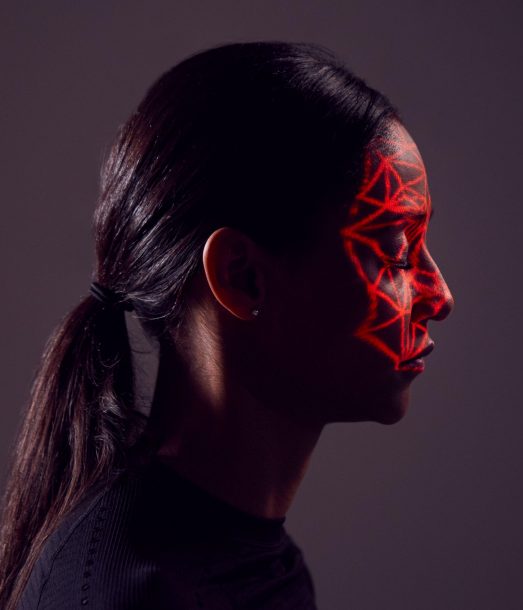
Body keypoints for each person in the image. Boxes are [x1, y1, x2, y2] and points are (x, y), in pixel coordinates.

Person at [0, 41, 455, 609]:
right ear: (243, 278)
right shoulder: (133, 593)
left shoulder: (255, 560)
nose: (440, 296)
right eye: (396, 254)